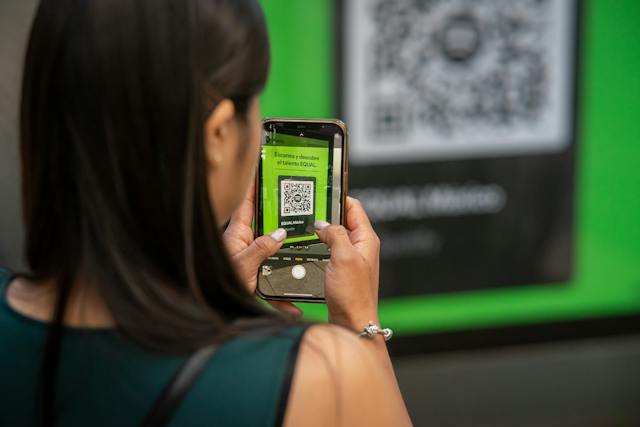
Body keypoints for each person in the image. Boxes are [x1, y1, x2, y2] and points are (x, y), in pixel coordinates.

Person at [0, 0, 412, 425]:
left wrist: (206, 297)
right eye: (256, 100)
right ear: (217, 134)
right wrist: (361, 327)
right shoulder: (320, 374)